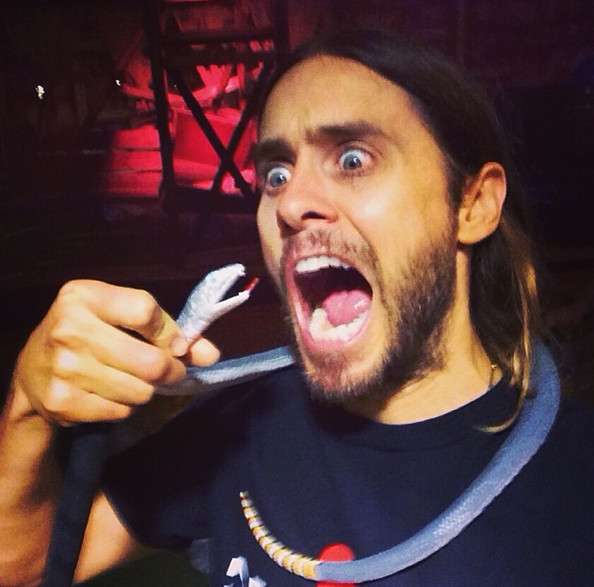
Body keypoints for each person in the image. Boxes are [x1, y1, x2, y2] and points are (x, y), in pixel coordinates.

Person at [1, 28, 593, 586]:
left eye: (353, 159)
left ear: (473, 205)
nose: (289, 204)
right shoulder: (236, 429)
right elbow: (22, 564)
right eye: (276, 174)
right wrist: (28, 410)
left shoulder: (573, 482)